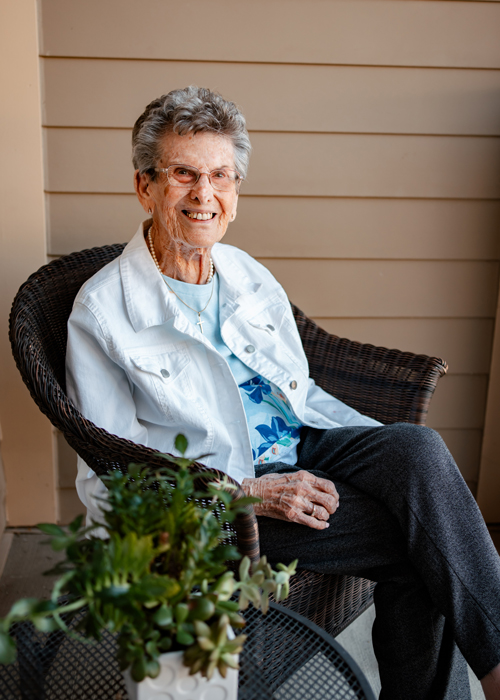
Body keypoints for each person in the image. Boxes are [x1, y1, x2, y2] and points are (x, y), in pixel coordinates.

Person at [66, 86, 500, 699]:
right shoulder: (104, 313)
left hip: (302, 446)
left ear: (236, 194)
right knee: (419, 545)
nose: (203, 194)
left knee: (418, 451)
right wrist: (241, 494)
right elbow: (112, 480)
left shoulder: (246, 274)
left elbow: (299, 392)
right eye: (183, 174)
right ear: (145, 187)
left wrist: (351, 456)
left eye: (221, 176)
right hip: (217, 505)